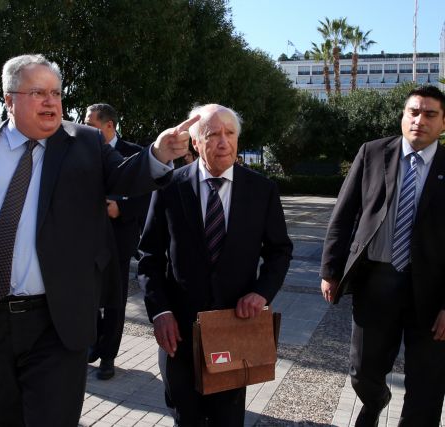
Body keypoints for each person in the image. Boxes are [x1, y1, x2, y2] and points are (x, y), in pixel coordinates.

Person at [0, 54, 196, 426]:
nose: (51, 102)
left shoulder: (85, 143)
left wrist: (159, 153)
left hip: (56, 322)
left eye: (56, 93)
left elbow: (125, 177)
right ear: (9, 99)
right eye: (38, 93)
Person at [138, 104, 292, 426]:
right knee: (186, 417)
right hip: (179, 332)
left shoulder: (261, 190)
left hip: (234, 326)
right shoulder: (170, 186)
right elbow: (149, 255)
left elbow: (279, 251)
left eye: (230, 133)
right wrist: (160, 312)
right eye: (213, 135)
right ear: (196, 142)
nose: (224, 142)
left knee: (228, 419)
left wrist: (262, 293)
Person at [320, 85, 445, 427]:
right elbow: (344, 213)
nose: (419, 120)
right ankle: (376, 400)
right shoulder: (373, 153)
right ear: (403, 116)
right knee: (363, 369)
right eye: (413, 112)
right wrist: (330, 270)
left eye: (430, 114)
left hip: (432, 290)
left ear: (443, 123)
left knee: (428, 380)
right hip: (376, 280)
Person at [84, 103, 150, 380]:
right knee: (87, 297)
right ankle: (93, 343)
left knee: (114, 301)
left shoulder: (134, 153)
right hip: (86, 239)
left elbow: (146, 195)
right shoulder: (81, 151)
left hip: (119, 240)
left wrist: (120, 209)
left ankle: (108, 356)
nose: (85, 129)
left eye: (91, 125)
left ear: (108, 125)